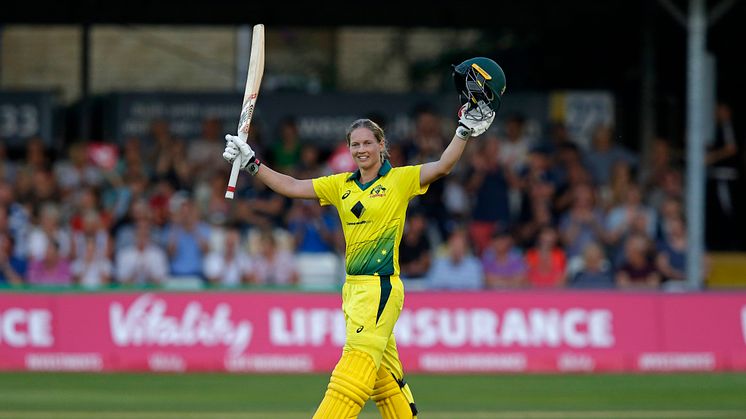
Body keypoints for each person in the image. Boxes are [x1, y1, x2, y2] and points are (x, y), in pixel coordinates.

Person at [222, 56, 504, 419]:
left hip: (381, 286)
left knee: (352, 374)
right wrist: (252, 163)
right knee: (385, 380)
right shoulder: (340, 185)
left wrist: (462, 130)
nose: (360, 150)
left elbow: (443, 165)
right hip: (353, 288)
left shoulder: (399, 180)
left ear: (381, 145)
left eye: (367, 143)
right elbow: (291, 186)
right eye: (354, 145)